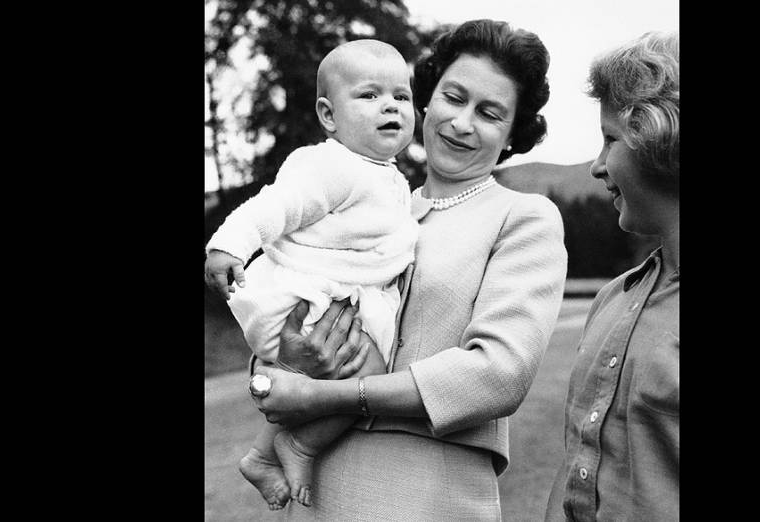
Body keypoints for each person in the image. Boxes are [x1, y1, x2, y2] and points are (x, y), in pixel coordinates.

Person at [247, 19, 568, 519]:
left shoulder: (524, 218)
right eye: (453, 97)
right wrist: (281, 364)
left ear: (512, 135)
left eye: (489, 113)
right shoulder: (369, 204)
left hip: (429, 488)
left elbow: (498, 374)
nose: (462, 123)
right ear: (426, 100)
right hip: (317, 486)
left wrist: (328, 395)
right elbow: (285, 297)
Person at [203, 39, 419, 510]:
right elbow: (272, 206)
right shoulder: (330, 166)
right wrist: (229, 244)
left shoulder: (388, 176)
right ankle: (296, 445)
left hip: (334, 299)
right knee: (369, 372)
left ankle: (262, 454)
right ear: (328, 114)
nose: (391, 106)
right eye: (369, 95)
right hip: (305, 295)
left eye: (402, 97)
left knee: (353, 373)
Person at [544, 31, 679, 521]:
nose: (598, 166)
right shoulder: (611, 299)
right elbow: (577, 460)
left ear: (660, 136)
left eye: (609, 139)